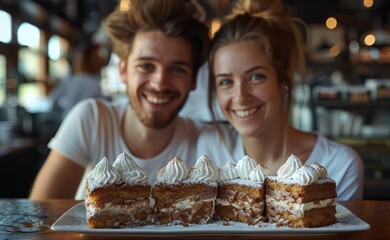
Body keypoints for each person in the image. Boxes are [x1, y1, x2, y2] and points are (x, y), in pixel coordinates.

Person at [30, 0, 209, 200]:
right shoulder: (92, 118)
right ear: (123, 71)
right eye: (146, 66)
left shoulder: (207, 141)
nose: (160, 84)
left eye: (177, 69)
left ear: (193, 79)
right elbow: (41, 218)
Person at [196, 0, 364, 201]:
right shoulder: (206, 152)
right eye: (225, 81)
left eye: (256, 77)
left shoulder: (339, 165)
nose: (240, 96)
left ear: (284, 79)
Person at [49, 41, 109, 117]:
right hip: (87, 123)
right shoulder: (92, 84)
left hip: (68, 120)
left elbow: (54, 99)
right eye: (98, 55)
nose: (101, 58)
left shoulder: (70, 80)